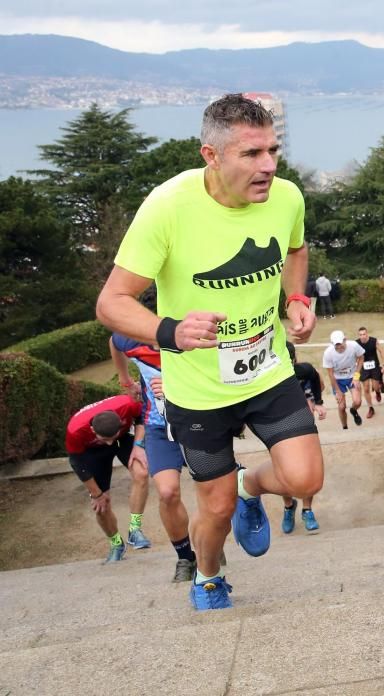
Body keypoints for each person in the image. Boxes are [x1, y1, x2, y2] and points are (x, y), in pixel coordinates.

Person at [95, 93, 324, 611]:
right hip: (198, 390)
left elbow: (296, 248)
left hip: (266, 370)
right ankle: (208, 574)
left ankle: (250, 486)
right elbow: (111, 303)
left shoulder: (286, 197)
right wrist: (168, 330)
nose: (268, 166)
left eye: (273, 150)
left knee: (307, 477)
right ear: (211, 155)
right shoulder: (168, 206)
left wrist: (294, 298)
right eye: (251, 154)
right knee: (213, 511)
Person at [110, 325, 199, 583]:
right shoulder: (131, 336)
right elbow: (115, 341)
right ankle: (185, 557)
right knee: (167, 492)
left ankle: (212, 544)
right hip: (158, 427)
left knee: (211, 488)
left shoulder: (195, 336)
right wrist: (124, 378)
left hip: (199, 422)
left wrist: (176, 385)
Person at [66, 395, 150, 564]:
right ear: (92, 431)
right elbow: (77, 462)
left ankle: (134, 530)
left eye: (112, 437)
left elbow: (141, 418)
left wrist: (138, 446)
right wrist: (96, 494)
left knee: (141, 473)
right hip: (92, 452)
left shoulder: (127, 405)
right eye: (105, 439)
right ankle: (116, 544)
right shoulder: (75, 430)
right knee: (101, 506)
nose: (109, 443)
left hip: (123, 440)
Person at [281, 341, 326, 533]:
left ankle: (307, 510)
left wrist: (318, 402)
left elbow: (317, 380)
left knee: (308, 466)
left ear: (294, 359)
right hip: (278, 426)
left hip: (303, 421)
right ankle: (289, 507)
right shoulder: (265, 376)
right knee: (283, 469)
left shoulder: (303, 370)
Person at [321, 330, 365, 429]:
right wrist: (337, 391)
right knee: (341, 406)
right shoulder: (328, 353)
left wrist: (356, 377)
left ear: (345, 340)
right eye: (336, 345)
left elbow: (361, 358)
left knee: (357, 401)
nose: (339, 347)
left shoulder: (353, 346)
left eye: (340, 344)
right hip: (338, 380)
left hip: (352, 377)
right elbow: (330, 373)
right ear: (332, 343)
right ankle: (345, 427)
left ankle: (353, 411)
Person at [355, 326, 384, 417]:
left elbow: (381, 352)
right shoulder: (356, 343)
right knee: (366, 388)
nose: (362, 336)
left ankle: (377, 392)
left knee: (375, 386)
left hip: (374, 366)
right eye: (360, 335)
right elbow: (354, 355)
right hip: (364, 367)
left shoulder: (374, 341)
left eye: (364, 334)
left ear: (367, 334)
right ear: (359, 335)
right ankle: (371, 408)